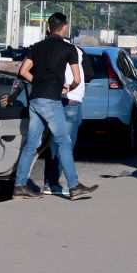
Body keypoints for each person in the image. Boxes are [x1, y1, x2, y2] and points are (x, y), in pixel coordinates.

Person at [13, 12, 99, 201]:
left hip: (35, 99)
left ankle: (20, 185)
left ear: (48, 28)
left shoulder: (37, 47)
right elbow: (77, 78)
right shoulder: (69, 49)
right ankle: (74, 186)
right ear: (65, 27)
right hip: (51, 100)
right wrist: (69, 87)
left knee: (32, 144)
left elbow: (23, 71)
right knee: (64, 142)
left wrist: (39, 82)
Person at [43, 25, 90, 196]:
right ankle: (62, 183)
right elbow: (83, 75)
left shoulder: (44, 49)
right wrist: (70, 90)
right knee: (65, 144)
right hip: (71, 100)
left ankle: (50, 182)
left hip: (59, 99)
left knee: (56, 142)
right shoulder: (74, 50)